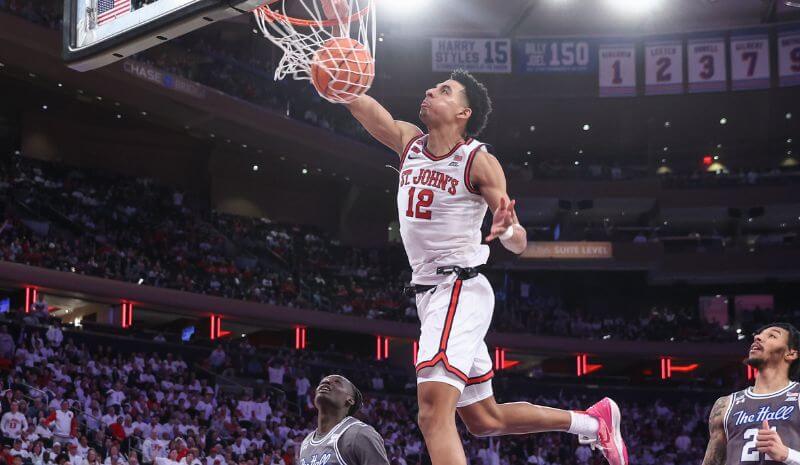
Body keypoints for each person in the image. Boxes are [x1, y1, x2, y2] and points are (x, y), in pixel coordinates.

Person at [339, 69, 627, 465]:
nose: (429, 90)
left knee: (432, 412)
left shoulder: (477, 160)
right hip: (432, 296)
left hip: (458, 289)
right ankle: (594, 424)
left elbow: (519, 242)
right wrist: (337, 79)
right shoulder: (409, 142)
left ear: (463, 113)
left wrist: (508, 230)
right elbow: (365, 108)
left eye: (443, 90)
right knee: (483, 419)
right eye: (432, 86)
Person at [702, 322, 800, 465]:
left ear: (791, 353)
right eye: (758, 335)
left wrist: (786, 454)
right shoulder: (725, 404)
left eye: (772, 336)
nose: (758, 338)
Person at [297, 375, 389, 465]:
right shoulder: (306, 442)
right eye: (323, 381)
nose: (326, 382)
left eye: (337, 382)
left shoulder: (360, 434)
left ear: (350, 400)